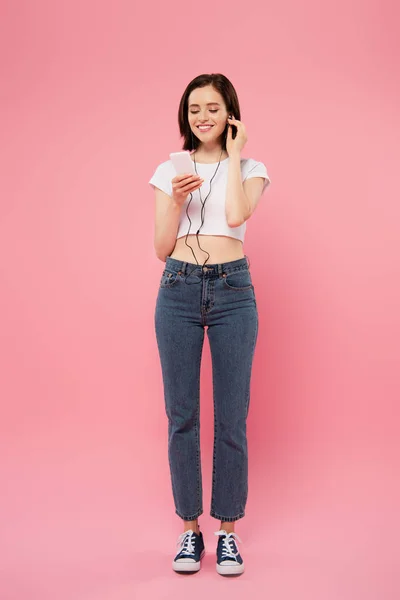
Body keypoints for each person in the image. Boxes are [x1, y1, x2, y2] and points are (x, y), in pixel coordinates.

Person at [148, 73, 271, 576]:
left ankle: (227, 534)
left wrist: (237, 155)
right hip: (177, 288)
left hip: (233, 292)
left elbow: (237, 215)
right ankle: (189, 531)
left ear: (230, 114)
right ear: (186, 114)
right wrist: (176, 200)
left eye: (214, 108)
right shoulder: (165, 171)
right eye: (195, 108)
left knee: (231, 417)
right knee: (182, 417)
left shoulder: (254, 168)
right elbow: (160, 249)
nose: (203, 117)